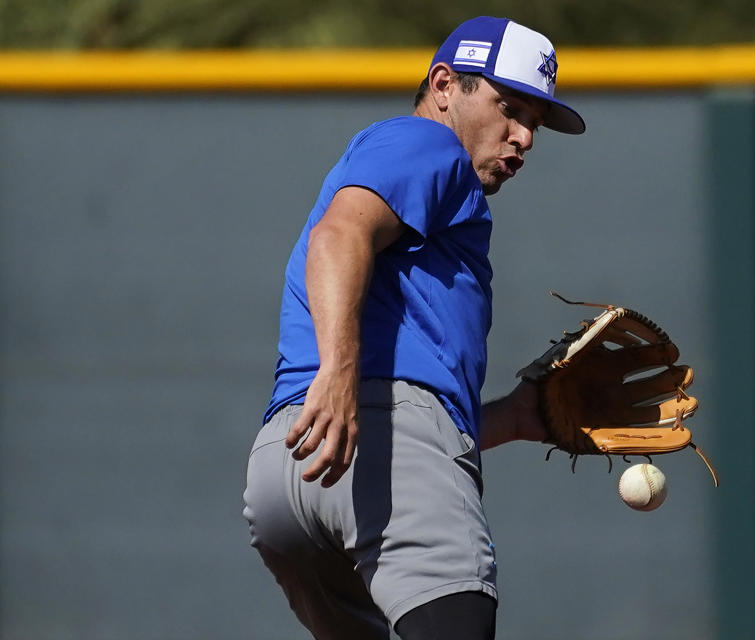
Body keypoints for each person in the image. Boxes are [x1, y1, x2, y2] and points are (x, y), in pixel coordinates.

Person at [243, 16, 585, 640]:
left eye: (535, 123)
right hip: (365, 434)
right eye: (509, 108)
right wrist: (341, 374)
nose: (525, 138)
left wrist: (511, 418)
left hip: (288, 462)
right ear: (445, 84)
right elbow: (338, 236)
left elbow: (408, 389)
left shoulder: (424, 194)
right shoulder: (428, 145)